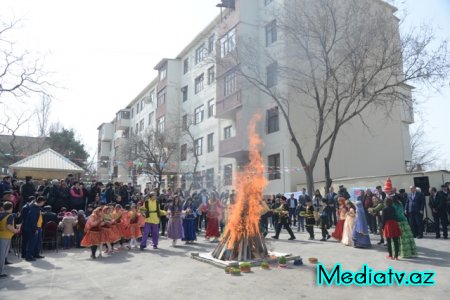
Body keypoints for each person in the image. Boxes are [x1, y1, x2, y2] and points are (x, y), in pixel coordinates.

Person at [22, 196, 46, 261]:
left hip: (38, 227)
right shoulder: (33, 208)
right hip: (34, 228)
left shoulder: (37, 208)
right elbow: (33, 220)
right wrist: (35, 229)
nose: (43, 204)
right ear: (41, 201)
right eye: (43, 202)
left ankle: (36, 254)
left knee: (37, 242)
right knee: (32, 242)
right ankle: (28, 256)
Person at [0, 201, 20, 278]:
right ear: (11, 208)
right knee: (2, 255)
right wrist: (15, 230)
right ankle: (0, 272)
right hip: (5, 237)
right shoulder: (10, 216)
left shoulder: (0, 214)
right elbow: (9, 226)